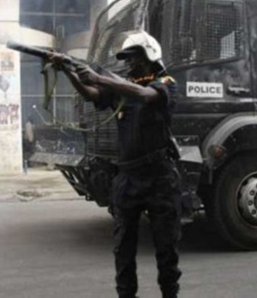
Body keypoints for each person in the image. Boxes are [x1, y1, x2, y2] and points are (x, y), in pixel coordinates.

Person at [53, 29, 182, 298]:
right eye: (127, 58)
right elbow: (91, 94)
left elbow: (145, 95)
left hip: (159, 177)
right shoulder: (121, 89)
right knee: (123, 249)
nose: (129, 63)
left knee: (166, 249)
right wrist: (67, 70)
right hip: (128, 178)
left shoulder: (165, 83)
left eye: (134, 57)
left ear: (150, 56)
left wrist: (100, 78)